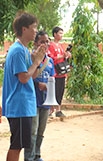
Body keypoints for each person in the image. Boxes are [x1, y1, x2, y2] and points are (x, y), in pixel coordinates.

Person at [2, 12, 46, 161]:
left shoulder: (24, 50)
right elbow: (23, 78)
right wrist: (35, 63)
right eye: (33, 28)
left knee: (19, 144)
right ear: (24, 29)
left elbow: (31, 76)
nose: (36, 31)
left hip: (23, 106)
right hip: (19, 105)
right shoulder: (18, 51)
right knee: (16, 145)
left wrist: (38, 62)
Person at [24, 31, 55, 161]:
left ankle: (37, 155)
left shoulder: (50, 61)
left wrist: (52, 100)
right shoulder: (30, 58)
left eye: (47, 41)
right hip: (33, 100)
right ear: (36, 43)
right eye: (42, 41)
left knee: (41, 131)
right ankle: (29, 157)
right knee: (32, 131)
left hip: (45, 101)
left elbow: (52, 80)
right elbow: (25, 77)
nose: (45, 44)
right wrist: (38, 85)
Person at [48, 26, 71, 117]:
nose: (61, 35)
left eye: (62, 33)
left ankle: (58, 109)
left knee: (60, 91)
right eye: (60, 33)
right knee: (54, 91)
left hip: (62, 72)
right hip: (55, 73)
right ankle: (52, 109)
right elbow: (51, 58)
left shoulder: (61, 46)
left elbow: (61, 57)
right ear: (55, 34)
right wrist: (62, 56)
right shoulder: (51, 45)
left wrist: (66, 56)